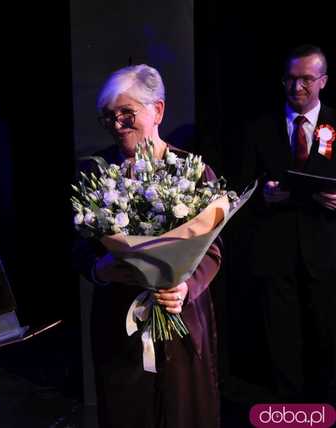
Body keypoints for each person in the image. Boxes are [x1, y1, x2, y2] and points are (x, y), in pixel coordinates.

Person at [73, 64, 222, 427]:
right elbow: (77, 246)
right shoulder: (95, 173)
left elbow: (213, 250)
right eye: (109, 117)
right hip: (121, 325)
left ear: (158, 110)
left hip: (180, 318)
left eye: (127, 113)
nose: (117, 124)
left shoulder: (193, 170)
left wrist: (186, 286)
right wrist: (99, 269)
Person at [241, 45, 335, 404]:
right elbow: (239, 189)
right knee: (281, 344)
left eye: (307, 80)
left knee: (328, 340)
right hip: (274, 255)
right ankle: (290, 413)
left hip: (326, 256)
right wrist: (262, 194)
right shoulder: (258, 129)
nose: (297, 87)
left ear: (323, 81)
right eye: (291, 79)